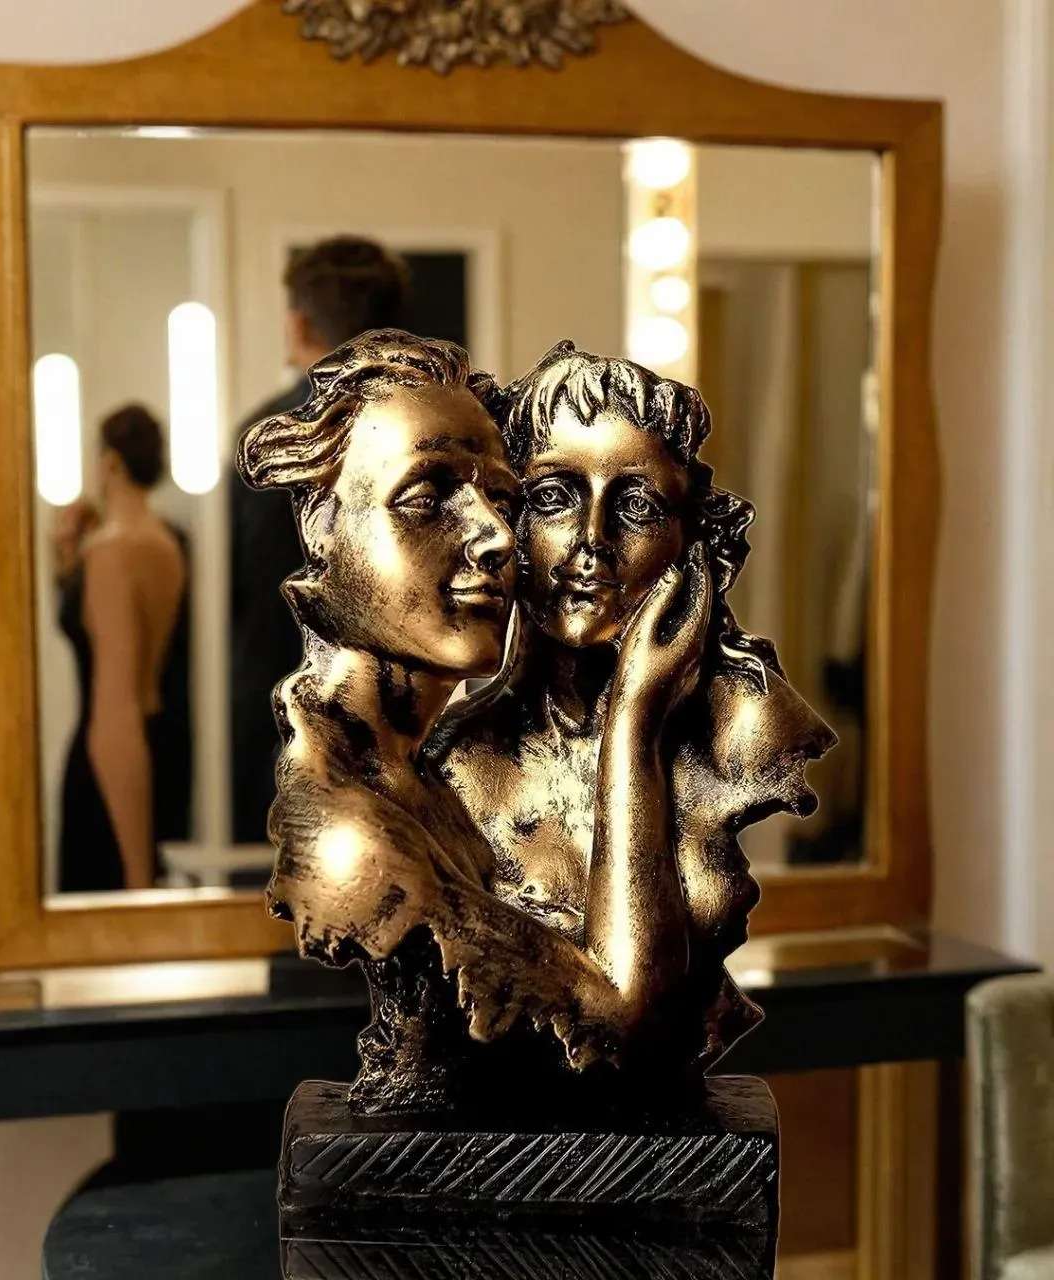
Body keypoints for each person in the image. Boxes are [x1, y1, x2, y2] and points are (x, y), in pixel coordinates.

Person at [237, 330, 715, 1114]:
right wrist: (635, 719)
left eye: (503, 499)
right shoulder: (352, 833)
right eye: (426, 499)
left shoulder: (419, 775)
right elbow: (627, 1034)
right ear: (324, 529)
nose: (496, 538)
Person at [436, 342, 837, 1062]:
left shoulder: (748, 728)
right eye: (553, 498)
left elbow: (648, 1028)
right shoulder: (452, 766)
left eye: (637, 505)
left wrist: (636, 713)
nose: (592, 540)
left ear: (689, 542)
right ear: (505, 523)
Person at [229, 236, 409, 843]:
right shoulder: (439, 430)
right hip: (406, 716)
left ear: (299, 323)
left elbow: (244, 590)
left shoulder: (270, 437)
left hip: (280, 706)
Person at [57, 405, 188, 892]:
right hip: (156, 746)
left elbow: (117, 709)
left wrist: (137, 878)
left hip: (111, 770)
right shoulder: (166, 543)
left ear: (110, 462)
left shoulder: (112, 552)